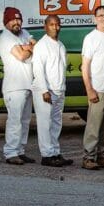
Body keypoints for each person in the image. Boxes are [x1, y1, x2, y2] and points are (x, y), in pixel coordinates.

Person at [33, 14, 73, 167]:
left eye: (57, 24)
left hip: (59, 90)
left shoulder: (61, 45)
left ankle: (55, 152)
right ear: (45, 26)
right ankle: (46, 155)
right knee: (45, 124)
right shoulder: (42, 45)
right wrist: (44, 90)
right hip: (46, 91)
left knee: (56, 123)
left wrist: (62, 89)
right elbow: (38, 69)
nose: (55, 28)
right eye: (51, 25)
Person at [80, 5, 104, 170]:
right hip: (97, 89)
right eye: (100, 15)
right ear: (95, 19)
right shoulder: (91, 38)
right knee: (93, 126)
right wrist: (89, 89)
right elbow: (85, 66)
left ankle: (102, 155)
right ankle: (88, 157)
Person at [0, 7, 36, 165]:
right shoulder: (5, 37)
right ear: (6, 22)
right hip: (14, 87)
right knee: (15, 120)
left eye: (18, 19)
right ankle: (11, 152)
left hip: (27, 84)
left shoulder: (24, 33)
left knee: (25, 120)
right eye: (12, 20)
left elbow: (36, 44)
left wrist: (28, 46)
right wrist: (27, 48)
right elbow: (20, 56)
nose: (16, 22)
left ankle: (20, 150)